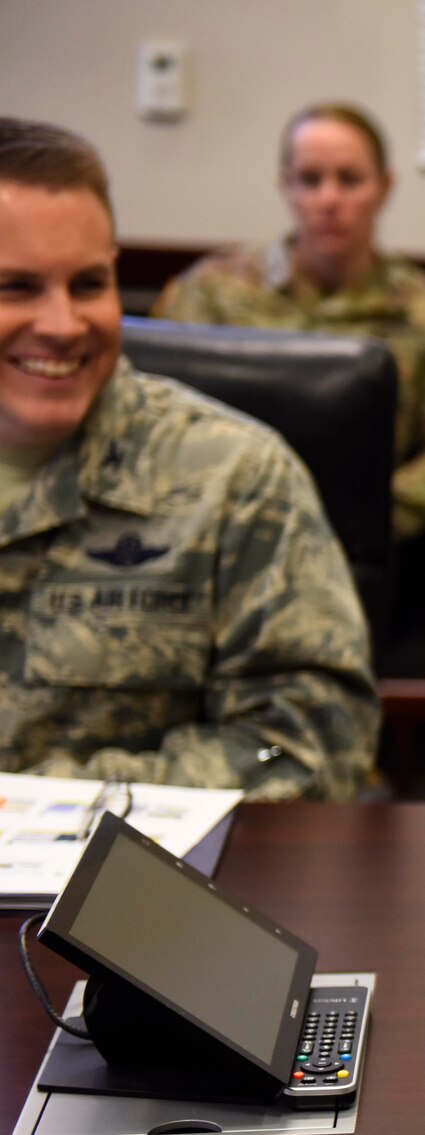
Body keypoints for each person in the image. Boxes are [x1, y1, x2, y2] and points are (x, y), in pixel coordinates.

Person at [0, 117, 377, 800]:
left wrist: (52, 798)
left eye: (88, 284)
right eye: (15, 288)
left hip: (135, 889)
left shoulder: (234, 478)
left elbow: (314, 741)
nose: (61, 324)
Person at [153, 102, 425, 543]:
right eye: (310, 180)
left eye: (350, 179)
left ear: (385, 187)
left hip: (365, 541)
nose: (329, 200)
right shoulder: (214, 293)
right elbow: (157, 418)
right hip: (221, 532)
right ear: (285, 186)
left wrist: (368, 511)